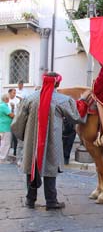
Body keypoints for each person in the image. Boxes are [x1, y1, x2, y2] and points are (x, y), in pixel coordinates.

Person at [11, 72, 87, 210]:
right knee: (50, 167)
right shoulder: (62, 100)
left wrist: (24, 136)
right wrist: (83, 103)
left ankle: (30, 200)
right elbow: (76, 117)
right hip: (53, 140)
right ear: (58, 83)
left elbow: (18, 123)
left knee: (31, 167)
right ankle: (51, 201)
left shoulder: (29, 99)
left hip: (32, 140)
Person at [0, 94, 15, 163]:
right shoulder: (4, 106)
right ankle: (2, 159)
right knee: (5, 143)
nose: (9, 99)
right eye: (8, 98)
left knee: (3, 143)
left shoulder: (2, 105)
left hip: (3, 126)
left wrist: (12, 108)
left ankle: (2, 158)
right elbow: (11, 115)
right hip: (5, 127)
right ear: (6, 99)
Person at [8, 88, 20, 156]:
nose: (15, 94)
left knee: (15, 136)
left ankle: (15, 152)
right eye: (13, 93)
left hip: (15, 120)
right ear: (9, 93)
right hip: (7, 120)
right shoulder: (6, 100)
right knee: (6, 137)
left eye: (15, 93)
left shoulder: (17, 100)